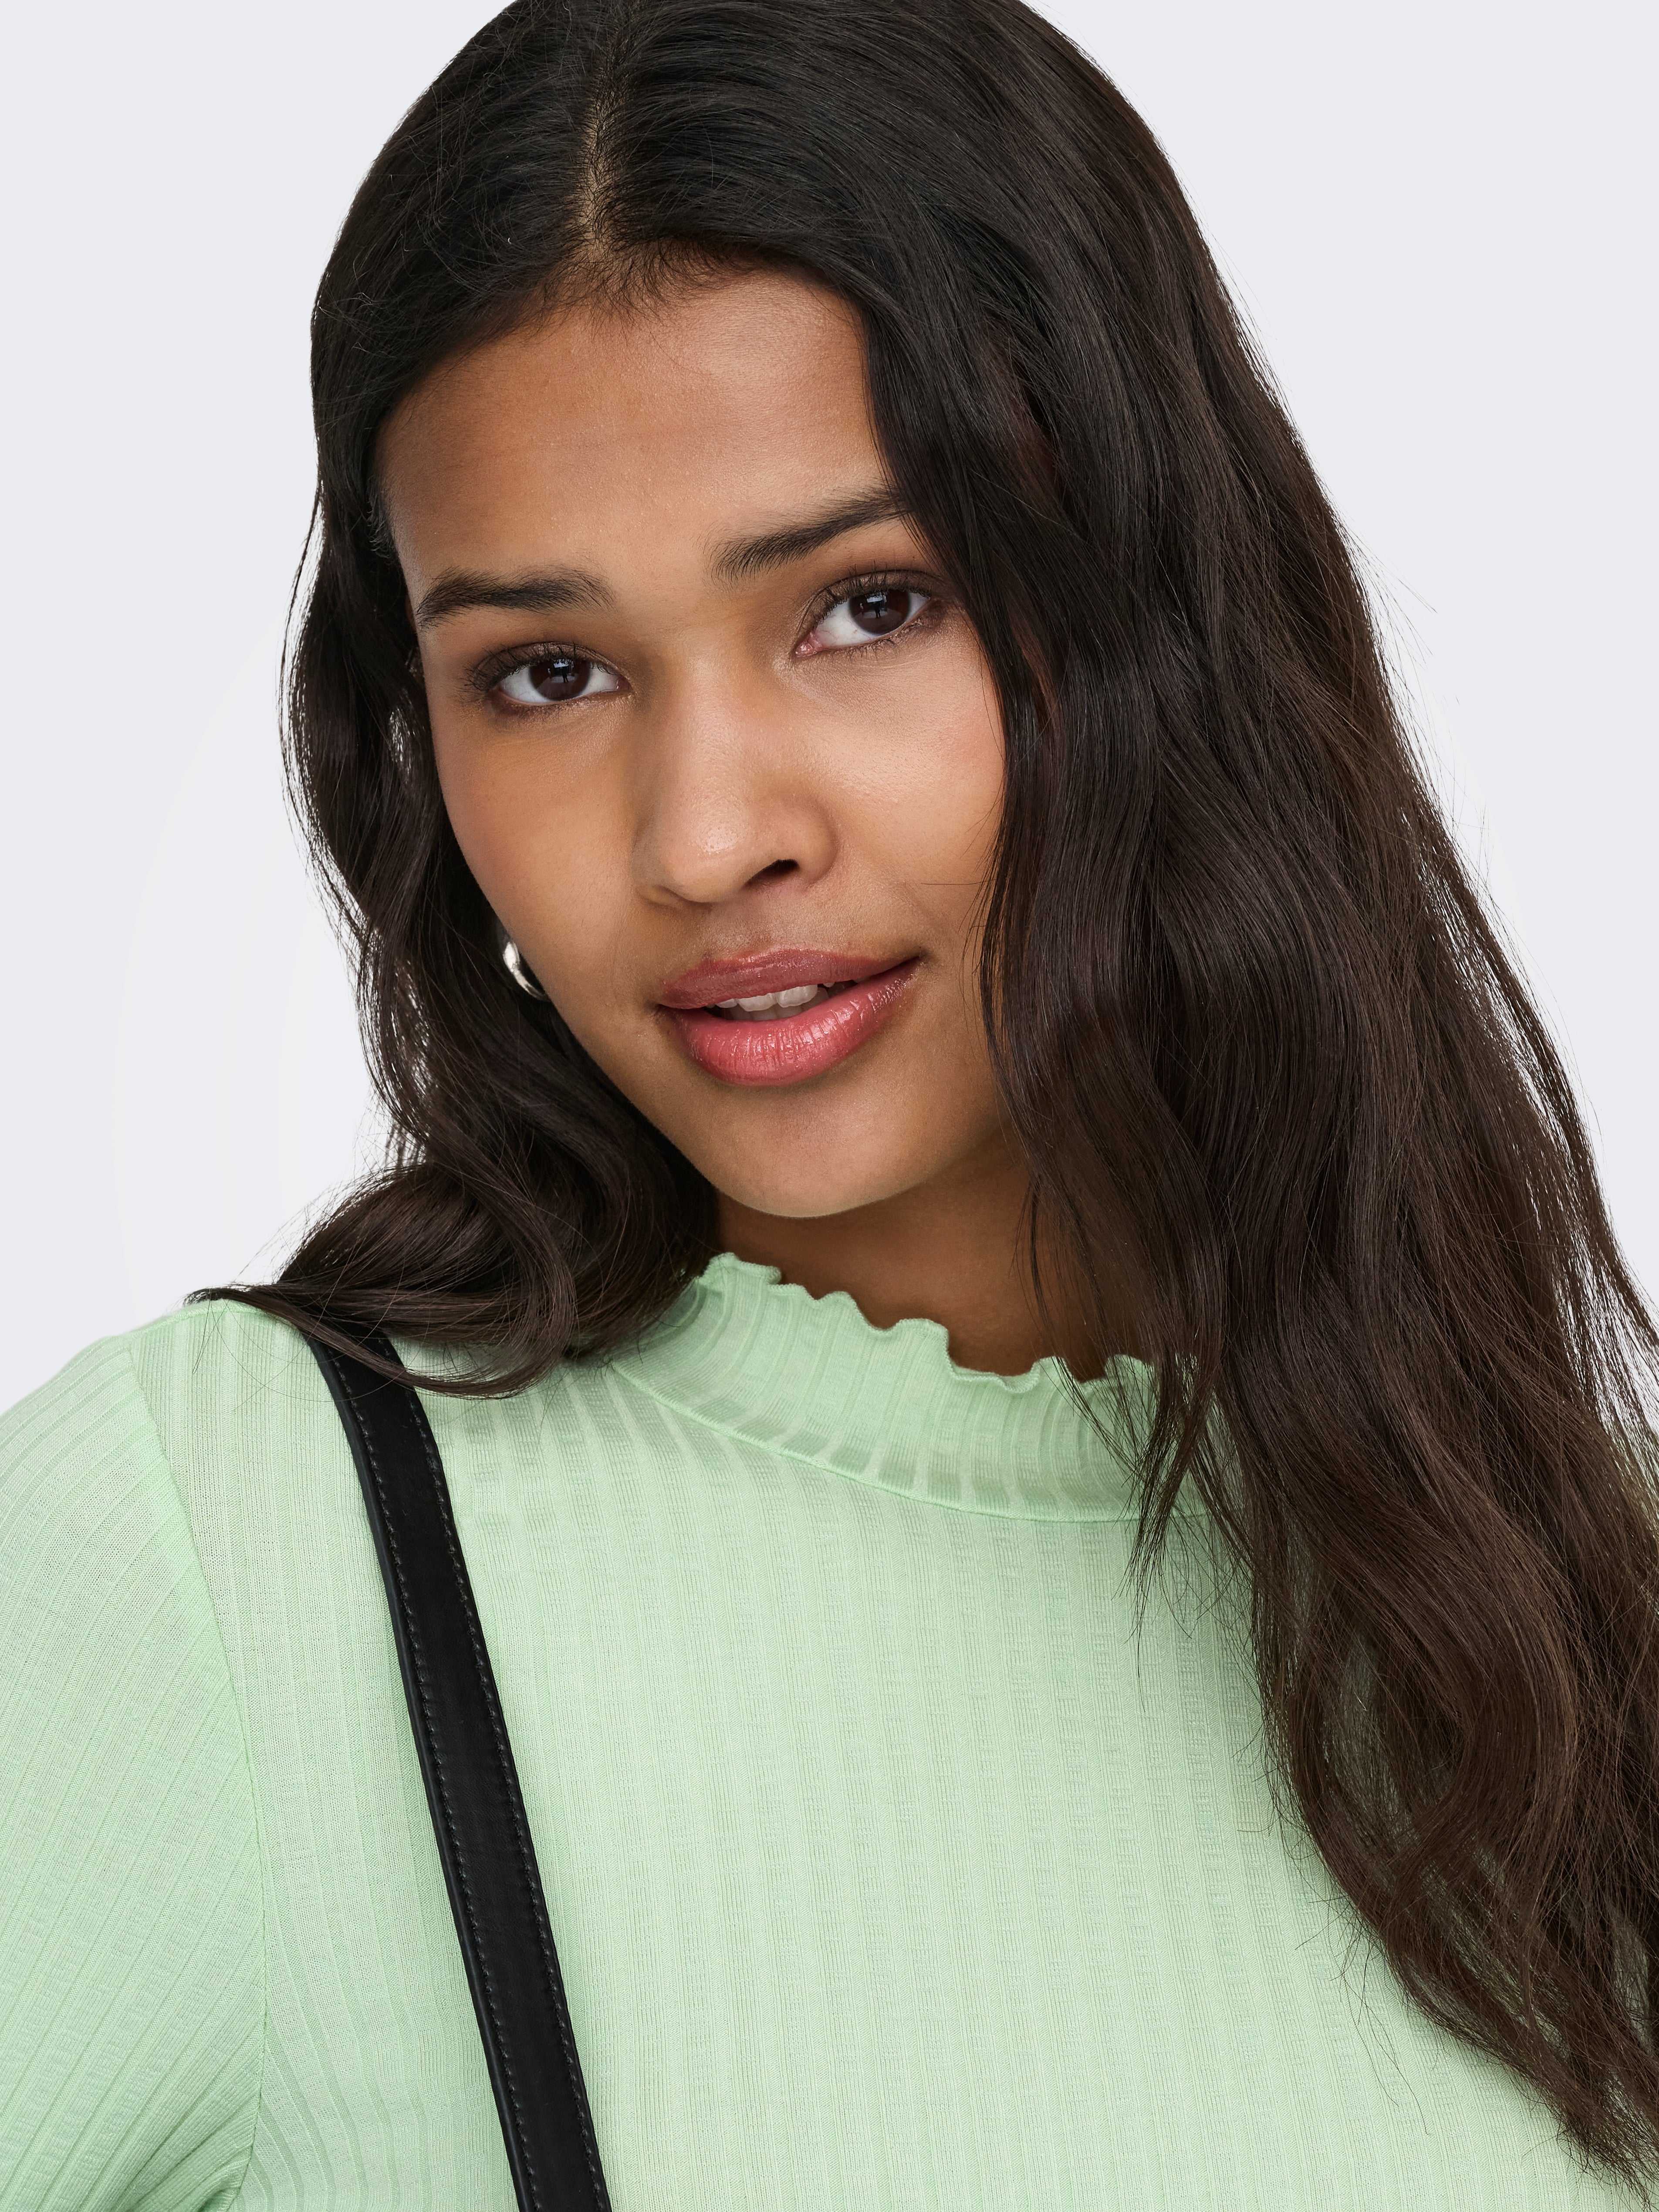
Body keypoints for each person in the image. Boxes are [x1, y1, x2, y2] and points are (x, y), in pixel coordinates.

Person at [3, 0, 1657, 2205]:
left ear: (1166, 613)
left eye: (868, 607)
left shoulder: (1561, 1602)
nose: (704, 836)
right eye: (545, 672)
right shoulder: (217, 1564)